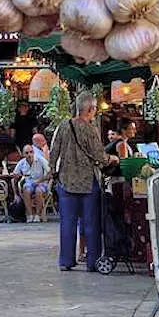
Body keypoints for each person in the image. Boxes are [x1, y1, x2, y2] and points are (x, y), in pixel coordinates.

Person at [51, 93, 116, 272]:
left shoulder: (63, 125)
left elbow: (54, 151)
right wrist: (112, 158)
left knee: (67, 223)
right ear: (89, 109)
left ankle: (66, 261)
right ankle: (92, 261)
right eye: (94, 108)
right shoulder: (90, 129)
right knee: (90, 223)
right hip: (87, 183)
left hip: (66, 181)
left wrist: (54, 173)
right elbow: (99, 156)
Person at [16, 144, 51, 223]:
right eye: (27, 153)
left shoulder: (40, 160)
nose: (29, 155)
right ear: (23, 154)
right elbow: (15, 175)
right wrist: (18, 176)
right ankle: (30, 214)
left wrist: (39, 180)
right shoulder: (22, 163)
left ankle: (38, 215)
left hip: (41, 182)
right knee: (26, 190)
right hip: (29, 183)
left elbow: (50, 173)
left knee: (38, 191)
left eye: (31, 152)